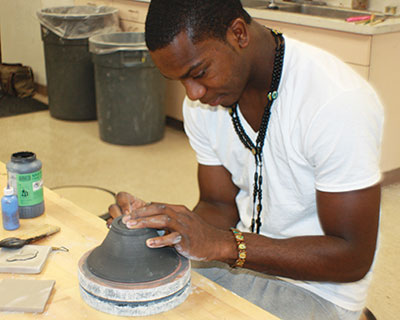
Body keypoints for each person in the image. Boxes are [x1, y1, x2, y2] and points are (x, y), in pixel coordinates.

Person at [108, 0, 384, 319]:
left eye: (198, 73)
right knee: (142, 302)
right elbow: (218, 205)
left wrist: (226, 245)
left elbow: (352, 257)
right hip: (242, 262)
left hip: (320, 287)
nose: (193, 94)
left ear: (238, 33)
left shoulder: (335, 102)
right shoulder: (205, 103)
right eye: (181, 81)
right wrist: (162, 229)